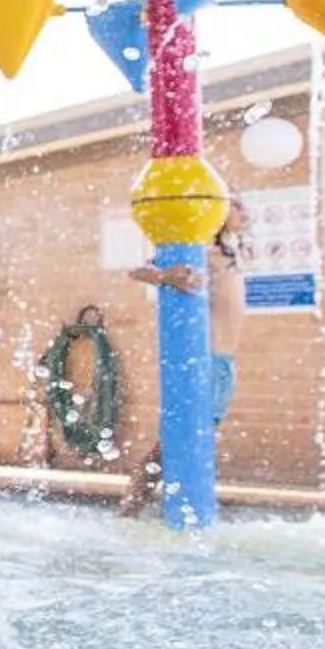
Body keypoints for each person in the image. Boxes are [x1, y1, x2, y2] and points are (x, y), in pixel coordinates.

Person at [123, 197, 248, 514]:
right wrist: (166, 277)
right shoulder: (201, 252)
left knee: (187, 443)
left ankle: (144, 507)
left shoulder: (225, 254)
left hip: (222, 365)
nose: (243, 210)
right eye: (236, 203)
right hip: (206, 363)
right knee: (173, 445)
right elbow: (144, 272)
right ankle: (133, 509)